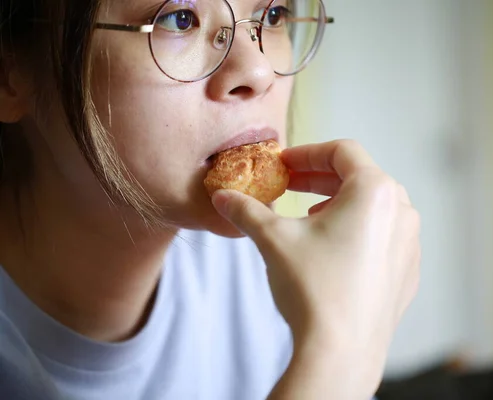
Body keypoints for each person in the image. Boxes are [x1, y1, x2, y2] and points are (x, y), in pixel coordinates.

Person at [0, 0, 421, 399]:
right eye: (179, 18)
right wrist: (339, 356)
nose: (258, 70)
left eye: (271, 14)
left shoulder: (268, 278)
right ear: (9, 72)